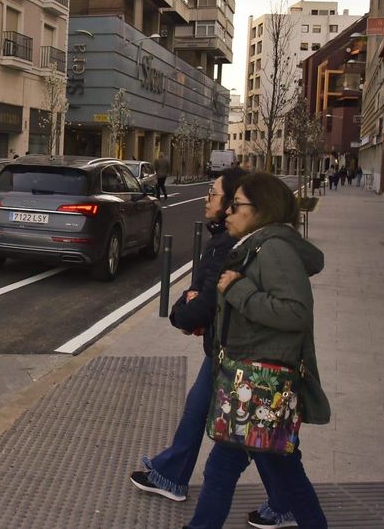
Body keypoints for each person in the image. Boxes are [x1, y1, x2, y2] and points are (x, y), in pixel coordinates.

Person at [130, 169, 296, 514]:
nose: (212, 202)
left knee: (258, 444)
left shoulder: (254, 249)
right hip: (231, 351)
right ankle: (172, 474)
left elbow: (289, 312)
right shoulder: (243, 243)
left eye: (223, 198)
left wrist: (205, 306)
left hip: (248, 361)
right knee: (219, 423)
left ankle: (287, 503)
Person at [184, 172, 330, 529]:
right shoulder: (258, 244)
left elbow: (296, 311)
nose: (228, 212)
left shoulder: (274, 249)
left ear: (260, 209)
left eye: (236, 206)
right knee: (283, 466)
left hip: (261, 382)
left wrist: (238, 290)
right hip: (255, 381)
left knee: (221, 468)